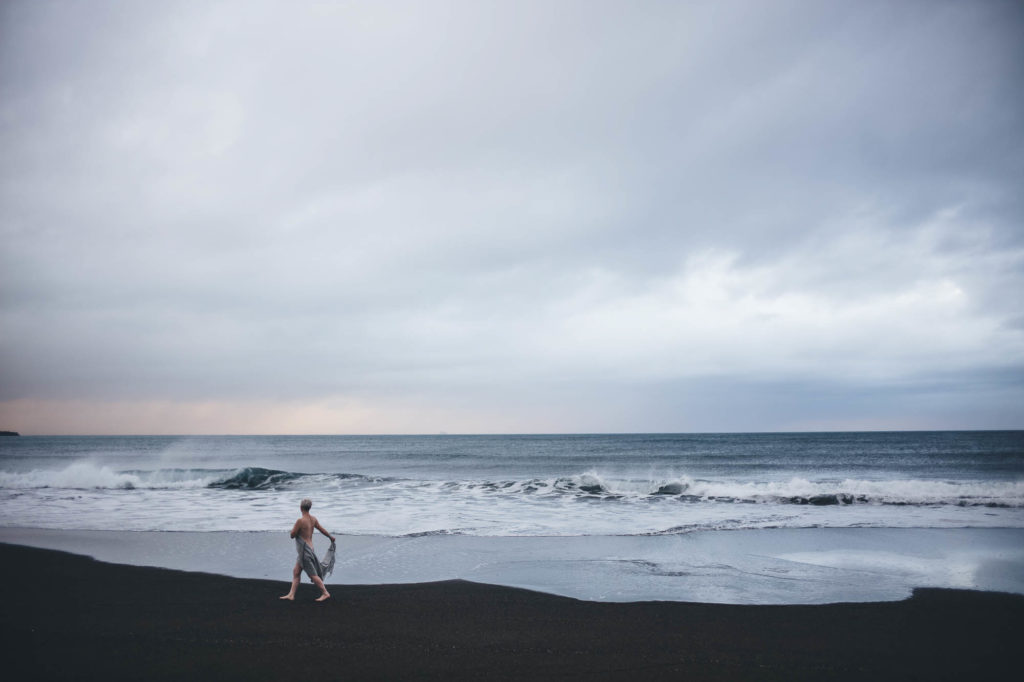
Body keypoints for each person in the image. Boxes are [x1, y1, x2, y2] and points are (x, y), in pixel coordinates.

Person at [280, 498, 335, 602]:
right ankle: (291, 595)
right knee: (296, 572)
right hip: (309, 549)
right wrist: (330, 537)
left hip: (304, 551)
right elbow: (321, 529)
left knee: (312, 574)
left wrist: (293, 530)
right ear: (310, 508)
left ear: (300, 508)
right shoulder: (313, 519)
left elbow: (292, 535)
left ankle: (325, 593)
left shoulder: (300, 521)